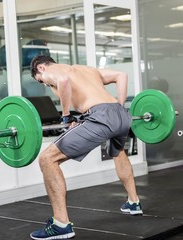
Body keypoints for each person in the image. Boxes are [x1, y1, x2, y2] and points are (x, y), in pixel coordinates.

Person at [29, 55, 143, 239]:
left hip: (100, 116)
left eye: (40, 80)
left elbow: (63, 80)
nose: (44, 84)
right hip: (120, 115)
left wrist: (66, 117)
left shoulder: (52, 71)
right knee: (118, 152)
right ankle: (133, 202)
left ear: (41, 68)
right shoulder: (88, 70)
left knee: (47, 159)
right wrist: (119, 108)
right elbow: (121, 75)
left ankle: (61, 224)